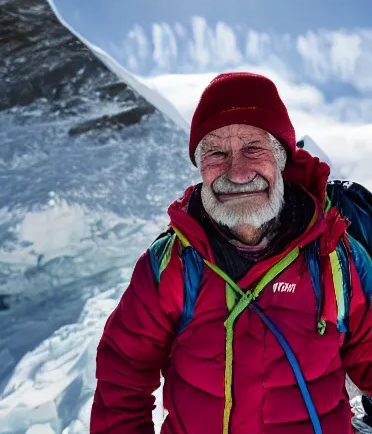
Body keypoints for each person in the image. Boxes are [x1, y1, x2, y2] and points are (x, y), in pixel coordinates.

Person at [90, 72, 372, 434]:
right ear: (199, 166)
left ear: (282, 159)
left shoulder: (336, 256)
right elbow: (122, 381)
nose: (237, 173)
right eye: (216, 152)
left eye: (253, 147)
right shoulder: (172, 264)